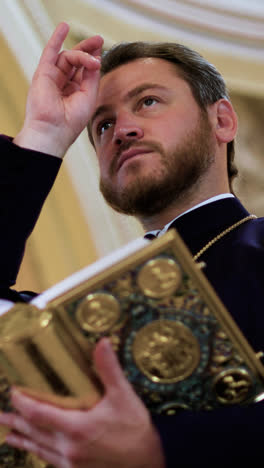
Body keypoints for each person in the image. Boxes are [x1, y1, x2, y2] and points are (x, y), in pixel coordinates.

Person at [0, 21, 263, 468]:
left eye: (148, 102)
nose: (122, 130)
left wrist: (159, 447)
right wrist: (42, 136)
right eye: (102, 126)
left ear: (222, 120)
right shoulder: (71, 313)